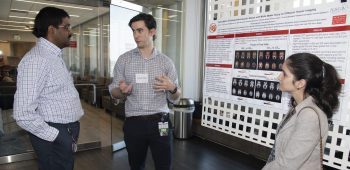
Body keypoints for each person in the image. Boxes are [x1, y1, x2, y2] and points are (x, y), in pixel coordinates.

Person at [13, 7, 84, 170]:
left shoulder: (53, 56)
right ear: (51, 30)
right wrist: (57, 136)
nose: (70, 32)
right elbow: (22, 113)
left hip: (64, 130)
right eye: (66, 27)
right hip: (53, 133)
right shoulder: (37, 60)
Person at [109, 13, 181, 170]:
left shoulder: (166, 62)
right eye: (133, 31)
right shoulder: (124, 60)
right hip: (134, 123)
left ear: (152, 31)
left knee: (164, 165)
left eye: (140, 30)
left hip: (160, 121)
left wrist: (172, 88)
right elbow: (114, 91)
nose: (136, 35)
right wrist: (122, 92)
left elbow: (176, 98)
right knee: (136, 165)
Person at [262, 53, 341, 170]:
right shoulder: (298, 107)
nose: (279, 77)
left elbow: (287, 164)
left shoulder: (309, 116)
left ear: (300, 83)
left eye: (284, 74)